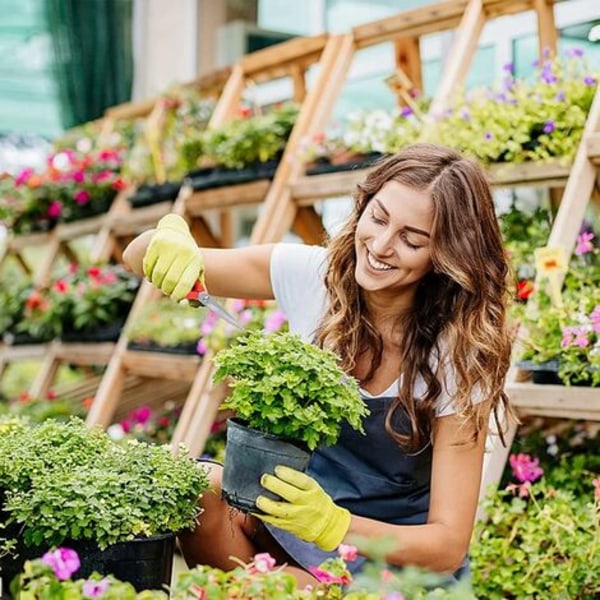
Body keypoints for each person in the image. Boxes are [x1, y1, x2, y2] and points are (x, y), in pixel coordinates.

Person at [124, 143, 514, 587]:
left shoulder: (457, 351)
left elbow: (446, 546)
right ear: (364, 205)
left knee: (274, 593)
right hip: (295, 528)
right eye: (379, 218)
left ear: (446, 255)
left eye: (412, 239)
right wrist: (165, 242)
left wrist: (334, 525)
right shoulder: (316, 277)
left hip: (390, 561)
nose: (382, 246)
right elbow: (138, 256)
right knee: (201, 487)